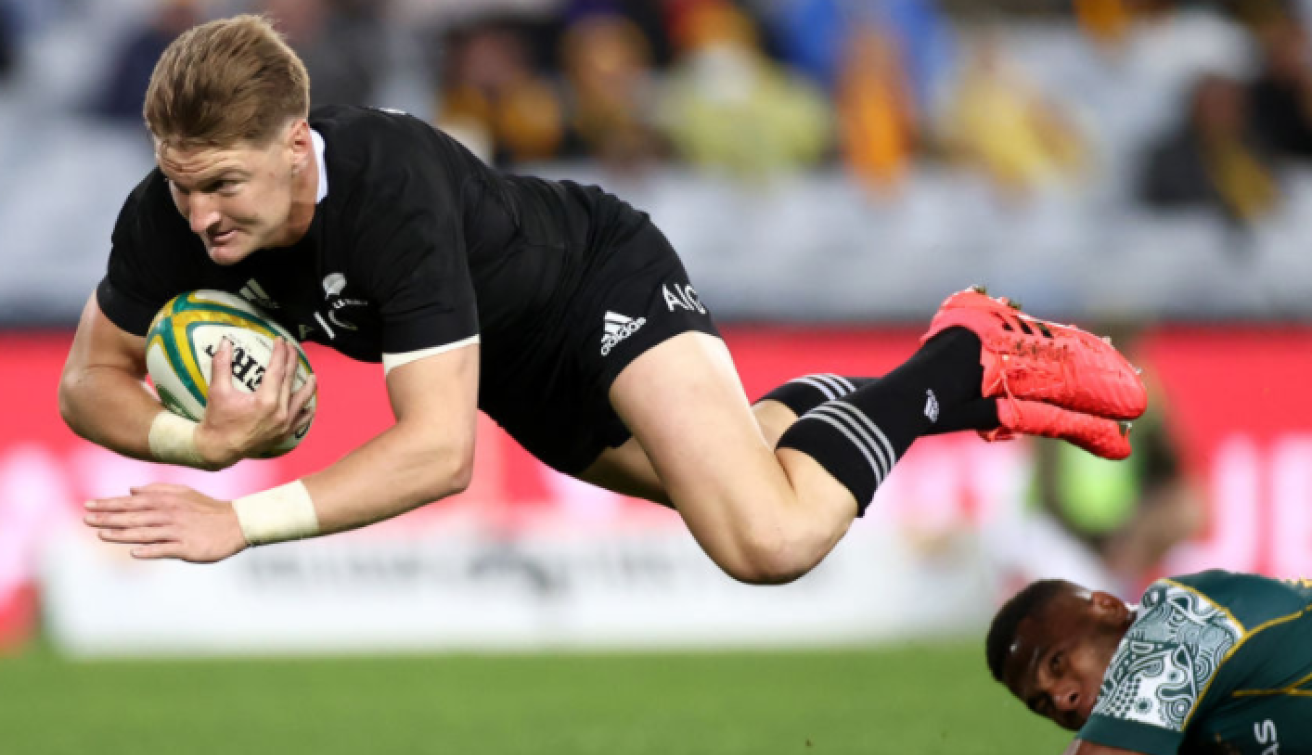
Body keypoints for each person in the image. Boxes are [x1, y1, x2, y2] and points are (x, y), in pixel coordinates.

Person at [61, 15, 1145, 576]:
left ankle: (953, 361)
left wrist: (235, 522)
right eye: (179, 178)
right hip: (526, 377)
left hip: (596, 282)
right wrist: (195, 444)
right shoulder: (167, 215)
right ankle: (863, 393)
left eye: (223, 183)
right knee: (757, 473)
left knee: (765, 542)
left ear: (295, 147)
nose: (198, 214)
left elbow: (437, 453)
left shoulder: (387, 187)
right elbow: (86, 384)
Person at [801, 571, 1312, 755]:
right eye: (1043, 704)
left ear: (1110, 609)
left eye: (1058, 664)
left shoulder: (1179, 625)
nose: (1063, 700)